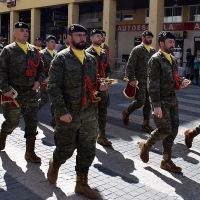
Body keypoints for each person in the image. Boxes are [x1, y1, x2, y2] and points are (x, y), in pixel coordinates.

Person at [46, 24, 108, 199]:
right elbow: (53, 88)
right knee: (65, 149)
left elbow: (92, 85)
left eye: (83, 35)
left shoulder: (90, 59)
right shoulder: (61, 59)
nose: (82, 38)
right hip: (69, 114)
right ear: (69, 38)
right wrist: (62, 112)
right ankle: (55, 163)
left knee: (88, 149)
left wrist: (100, 88)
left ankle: (81, 183)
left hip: (88, 113)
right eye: (78, 35)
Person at [139, 31, 189, 173]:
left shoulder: (172, 59)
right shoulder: (155, 59)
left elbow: (171, 79)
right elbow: (153, 84)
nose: (173, 44)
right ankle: (146, 144)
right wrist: (156, 106)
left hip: (172, 98)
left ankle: (166, 160)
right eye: (170, 42)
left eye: (173, 42)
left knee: (173, 130)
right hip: (161, 100)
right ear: (161, 43)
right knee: (165, 129)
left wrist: (180, 82)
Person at [0, 22, 46, 162]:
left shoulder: (34, 50)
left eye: (26, 30)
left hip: (31, 93)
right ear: (14, 33)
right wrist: (5, 89)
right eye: (21, 30)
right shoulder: (8, 51)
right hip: (13, 94)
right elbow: (1, 72)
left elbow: (41, 70)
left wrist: (39, 81)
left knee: (32, 122)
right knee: (12, 122)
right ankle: (3, 135)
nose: (25, 32)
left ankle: (30, 152)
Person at [122, 30, 155, 133]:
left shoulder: (152, 51)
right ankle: (127, 112)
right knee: (140, 101)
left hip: (149, 80)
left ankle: (145, 124)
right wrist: (131, 79)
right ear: (143, 38)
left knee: (148, 104)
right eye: (148, 37)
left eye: (151, 37)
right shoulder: (137, 50)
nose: (149, 39)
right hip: (139, 80)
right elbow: (130, 65)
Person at [86, 29, 111, 146]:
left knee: (103, 112)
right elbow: (86, 73)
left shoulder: (104, 52)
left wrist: (108, 80)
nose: (100, 38)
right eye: (97, 36)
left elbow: (107, 69)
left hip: (104, 88)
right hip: (92, 89)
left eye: (101, 36)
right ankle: (89, 137)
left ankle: (102, 136)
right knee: (91, 113)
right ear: (91, 38)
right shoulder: (87, 53)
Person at [38, 35, 56, 126]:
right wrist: (43, 79)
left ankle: (54, 118)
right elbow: (39, 68)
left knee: (54, 99)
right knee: (43, 99)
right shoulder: (41, 54)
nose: (54, 44)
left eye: (54, 42)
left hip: (54, 81)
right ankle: (31, 112)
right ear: (47, 43)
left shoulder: (56, 54)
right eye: (52, 42)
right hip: (45, 81)